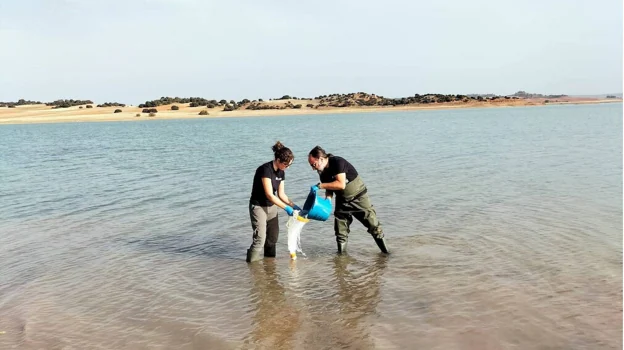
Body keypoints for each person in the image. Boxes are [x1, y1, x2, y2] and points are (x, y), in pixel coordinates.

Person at [308, 146, 389, 254]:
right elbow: (329, 188)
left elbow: (340, 184)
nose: (313, 168)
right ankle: (341, 261)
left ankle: (386, 254)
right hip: (342, 201)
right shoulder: (322, 172)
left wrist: (319, 186)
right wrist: (328, 200)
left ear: (321, 159)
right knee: (340, 232)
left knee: (374, 226)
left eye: (314, 164)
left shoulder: (337, 162)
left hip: (359, 198)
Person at [247, 141, 301, 263]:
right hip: (258, 207)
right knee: (260, 238)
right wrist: (286, 208)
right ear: (278, 160)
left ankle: (270, 266)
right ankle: (252, 267)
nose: (287, 167)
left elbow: (281, 194)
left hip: (272, 208)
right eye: (286, 165)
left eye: (289, 165)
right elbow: (270, 195)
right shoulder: (265, 170)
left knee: (272, 238)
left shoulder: (281, 172)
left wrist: (293, 206)